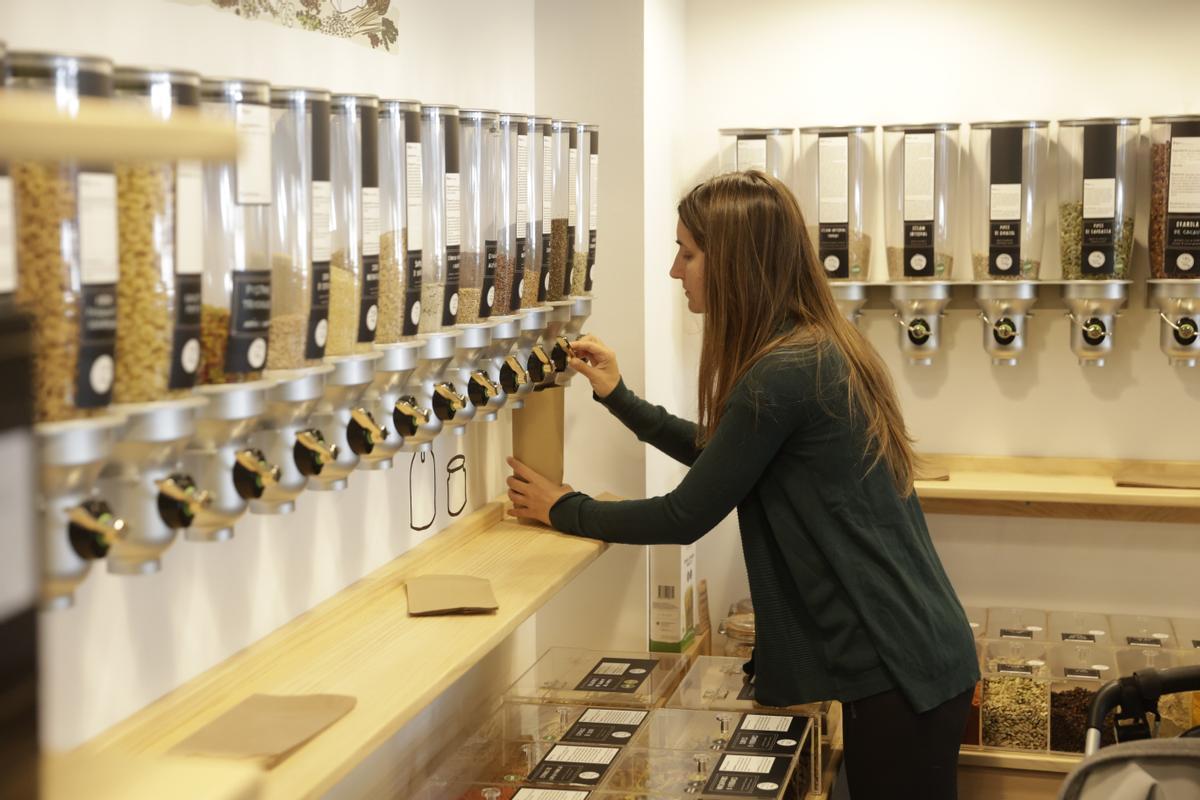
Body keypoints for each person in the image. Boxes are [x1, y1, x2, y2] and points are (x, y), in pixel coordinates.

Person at [506, 170, 979, 800]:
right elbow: (724, 454)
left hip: (900, 667)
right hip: (909, 654)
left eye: (689, 253)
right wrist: (619, 396)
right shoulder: (811, 346)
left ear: (734, 262)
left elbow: (683, 515)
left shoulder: (783, 371)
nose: (677, 271)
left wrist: (566, 509)